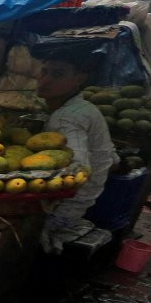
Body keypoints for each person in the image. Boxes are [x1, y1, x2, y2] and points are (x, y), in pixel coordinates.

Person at [33, 52, 119, 253]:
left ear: (80, 79)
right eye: (44, 71)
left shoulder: (67, 118)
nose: (45, 80)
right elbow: (113, 159)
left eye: (58, 74)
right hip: (86, 200)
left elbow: (78, 170)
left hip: (65, 209)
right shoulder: (83, 107)